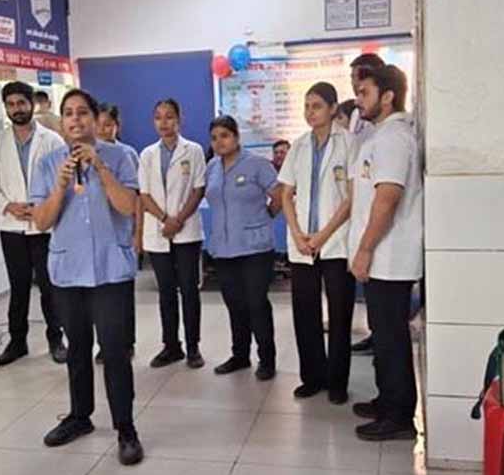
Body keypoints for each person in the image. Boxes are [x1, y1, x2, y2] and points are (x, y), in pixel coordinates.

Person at [30, 89, 144, 465]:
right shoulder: (48, 163)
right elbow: (41, 221)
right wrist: (60, 186)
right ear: (62, 122)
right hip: (68, 271)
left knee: (114, 351)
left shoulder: (121, 156)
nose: (75, 119)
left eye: (82, 113)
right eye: (68, 113)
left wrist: (101, 167)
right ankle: (80, 416)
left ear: (95, 119)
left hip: (110, 271)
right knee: (77, 350)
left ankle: (125, 428)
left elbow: (127, 207)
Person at [347, 65, 423, 441]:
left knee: (391, 337)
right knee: (383, 334)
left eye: (364, 92)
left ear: (388, 96)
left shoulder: (395, 138)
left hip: (389, 258)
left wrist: (364, 249)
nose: (358, 99)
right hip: (382, 256)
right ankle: (387, 400)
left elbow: (388, 198)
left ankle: (399, 416)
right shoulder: (383, 136)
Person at [278, 83, 355, 404]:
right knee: (305, 312)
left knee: (339, 314)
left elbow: (351, 198)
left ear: (333, 108)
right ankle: (312, 377)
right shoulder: (298, 146)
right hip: (302, 245)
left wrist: (322, 235)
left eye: (317, 106)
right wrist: (297, 233)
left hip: (335, 242)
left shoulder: (348, 143)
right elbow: (286, 194)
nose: (310, 112)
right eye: (307, 106)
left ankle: (337, 382)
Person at [0, 81, 67, 366]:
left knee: (49, 285)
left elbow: (62, 180)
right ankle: (17, 342)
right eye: (11, 104)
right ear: (5, 108)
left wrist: (42, 207)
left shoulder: (52, 140)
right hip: (12, 225)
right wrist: (8, 205)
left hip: (43, 225)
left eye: (21, 103)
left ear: (31, 104)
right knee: (18, 287)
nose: (16, 109)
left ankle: (56, 339)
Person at [204, 115, 282, 380]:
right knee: (234, 304)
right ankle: (240, 355)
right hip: (224, 248)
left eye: (225, 136)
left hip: (254, 248)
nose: (219, 142)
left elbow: (279, 195)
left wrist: (267, 215)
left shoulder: (257, 164)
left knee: (256, 303)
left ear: (237, 137)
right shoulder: (212, 167)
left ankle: (267, 359)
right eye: (214, 138)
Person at [138, 99, 207, 369]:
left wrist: (177, 220)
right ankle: (171, 346)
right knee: (166, 292)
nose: (163, 122)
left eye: (169, 117)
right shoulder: (147, 154)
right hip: (159, 231)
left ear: (179, 119)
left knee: (189, 291)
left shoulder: (194, 150)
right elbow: (144, 194)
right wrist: (166, 219)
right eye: (158, 117)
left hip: (186, 232)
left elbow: (198, 189)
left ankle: (193, 347)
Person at [95, 102, 140, 363]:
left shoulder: (126, 154)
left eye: (108, 125)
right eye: (99, 125)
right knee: (100, 295)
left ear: (117, 126)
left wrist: (137, 233)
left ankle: (126, 342)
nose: (103, 130)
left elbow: (136, 198)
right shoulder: (85, 154)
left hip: (121, 231)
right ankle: (105, 344)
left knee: (122, 294)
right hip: (98, 235)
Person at [347, 52, 385, 355]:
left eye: (358, 80)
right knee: (370, 290)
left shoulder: (385, 127)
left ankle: (379, 336)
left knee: (381, 291)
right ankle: (374, 333)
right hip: (358, 199)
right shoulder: (357, 115)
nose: (354, 87)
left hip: (375, 208)